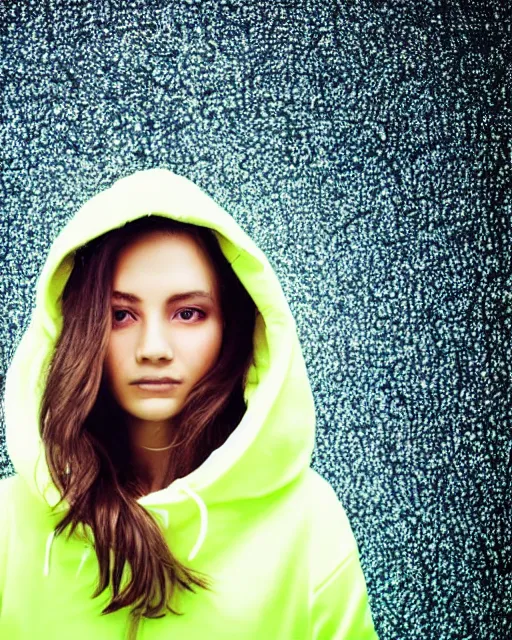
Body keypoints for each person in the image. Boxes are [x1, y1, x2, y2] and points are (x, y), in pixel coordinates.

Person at [0, 168, 379, 639]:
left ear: (233, 328)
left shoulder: (308, 520)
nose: (153, 347)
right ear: (82, 327)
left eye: (187, 313)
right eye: (121, 315)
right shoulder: (10, 518)